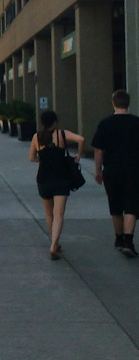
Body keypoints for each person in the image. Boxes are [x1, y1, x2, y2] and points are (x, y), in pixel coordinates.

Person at [29, 110, 85, 260]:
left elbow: (32, 158)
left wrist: (42, 160)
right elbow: (81, 139)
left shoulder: (37, 137)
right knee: (58, 213)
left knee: (49, 213)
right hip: (61, 178)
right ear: (54, 122)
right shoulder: (62, 134)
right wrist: (78, 155)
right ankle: (54, 244)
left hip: (43, 178)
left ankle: (54, 242)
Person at [92, 89, 139, 258]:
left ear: (113, 103)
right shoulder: (136, 123)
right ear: (128, 103)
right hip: (133, 171)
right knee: (132, 206)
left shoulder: (105, 123)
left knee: (116, 206)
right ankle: (128, 240)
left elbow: (98, 149)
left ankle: (118, 238)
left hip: (111, 171)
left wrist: (98, 170)